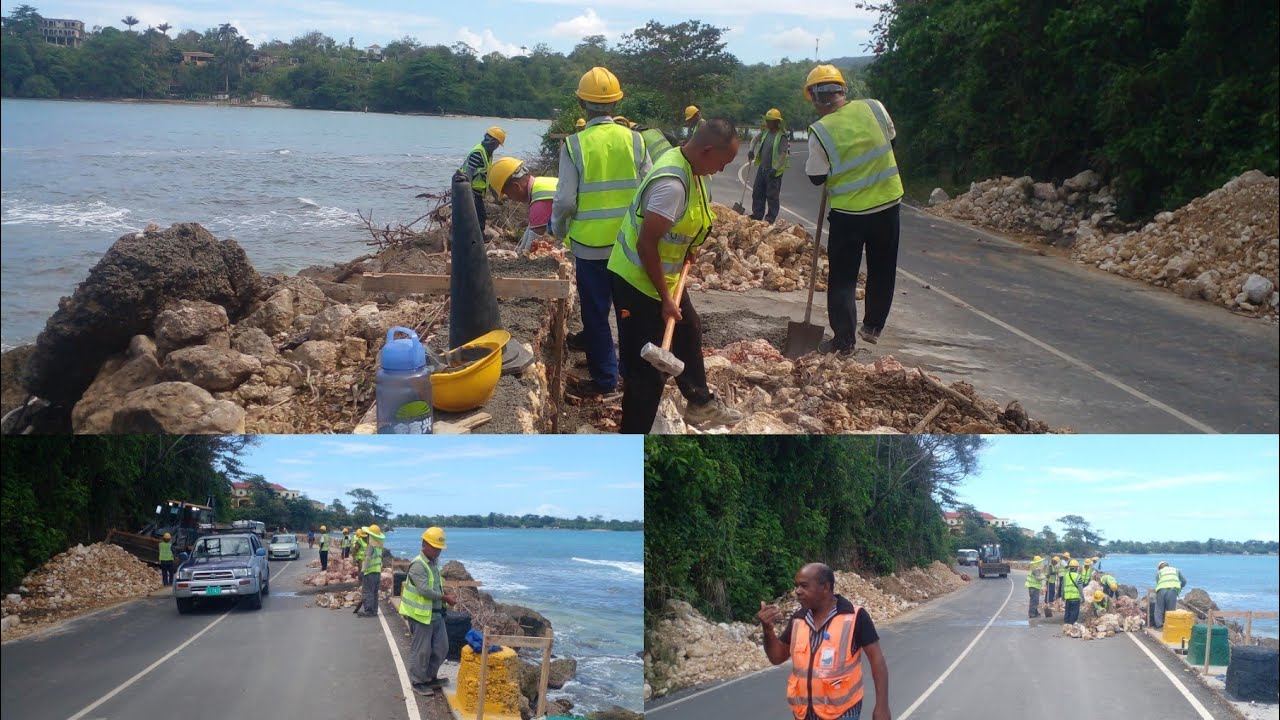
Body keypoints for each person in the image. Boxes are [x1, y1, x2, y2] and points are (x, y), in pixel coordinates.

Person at [607, 118, 746, 433]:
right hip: (637, 283)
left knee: (688, 327)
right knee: (646, 375)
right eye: (723, 162)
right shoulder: (670, 184)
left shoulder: (694, 169)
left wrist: (689, 248)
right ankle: (632, 436)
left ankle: (699, 401)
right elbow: (646, 245)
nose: (722, 170)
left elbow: (684, 223)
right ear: (707, 150)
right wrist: (667, 299)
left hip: (662, 279)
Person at [552, 67, 651, 395]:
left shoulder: (574, 145)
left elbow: (565, 200)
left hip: (589, 248)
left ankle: (606, 381)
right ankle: (634, 375)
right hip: (628, 247)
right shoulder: (635, 141)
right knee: (628, 313)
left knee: (596, 315)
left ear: (582, 105)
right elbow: (650, 190)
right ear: (616, 104)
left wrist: (557, 229)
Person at [803, 64, 903, 355]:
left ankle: (843, 341)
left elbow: (816, 177)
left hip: (850, 216)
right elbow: (891, 140)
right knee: (883, 268)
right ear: (842, 90)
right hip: (888, 205)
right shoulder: (874, 108)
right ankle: (873, 326)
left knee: (843, 279)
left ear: (816, 97)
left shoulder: (820, 130)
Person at [757, 563, 891, 720]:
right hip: (804, 713)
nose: (797, 591)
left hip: (842, 712)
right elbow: (776, 657)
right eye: (797, 586)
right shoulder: (798, 619)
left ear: (826, 587)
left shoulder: (854, 616)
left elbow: (877, 662)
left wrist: (882, 707)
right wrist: (767, 630)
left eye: (804, 586)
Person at [401, 527, 458, 696]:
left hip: (435, 614)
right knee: (421, 651)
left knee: (441, 648)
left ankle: (430, 677)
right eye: (434, 547)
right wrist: (445, 598)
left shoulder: (433, 563)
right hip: (420, 615)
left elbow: (436, 584)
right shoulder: (418, 565)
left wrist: (445, 593)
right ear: (424, 545)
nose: (438, 551)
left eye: (439, 548)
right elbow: (424, 590)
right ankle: (418, 681)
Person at [488, 157, 558, 252]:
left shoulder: (539, 201)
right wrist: (519, 251)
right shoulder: (540, 183)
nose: (510, 198)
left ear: (516, 187)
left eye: (508, 194)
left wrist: (520, 257)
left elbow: (533, 241)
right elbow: (531, 227)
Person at [457, 126, 506, 232]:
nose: (497, 147)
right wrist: (468, 194)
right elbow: (468, 174)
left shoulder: (487, 153)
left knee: (480, 217)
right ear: (492, 141)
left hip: (477, 192)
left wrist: (495, 195)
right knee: (478, 218)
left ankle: (476, 241)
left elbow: (485, 175)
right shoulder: (478, 152)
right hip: (471, 191)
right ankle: (477, 242)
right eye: (498, 144)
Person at [748, 108, 790, 224]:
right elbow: (754, 139)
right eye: (767, 120)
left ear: (777, 121)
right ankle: (757, 214)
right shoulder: (765, 132)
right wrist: (751, 150)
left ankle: (770, 218)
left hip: (774, 171)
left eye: (770, 120)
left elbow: (783, 154)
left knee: (772, 196)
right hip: (762, 169)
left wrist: (775, 168)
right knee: (757, 192)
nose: (767, 123)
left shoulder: (782, 136)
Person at [357, 524, 385, 617]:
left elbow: (367, 559)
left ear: (371, 536)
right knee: (374, 593)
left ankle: (368, 611)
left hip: (370, 573)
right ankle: (374, 610)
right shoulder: (379, 547)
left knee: (368, 592)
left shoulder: (370, 546)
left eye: (368, 535)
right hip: (377, 573)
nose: (367, 537)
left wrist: (362, 571)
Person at [1152, 561, 1187, 629]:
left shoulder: (1159, 572)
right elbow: (1184, 581)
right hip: (1173, 590)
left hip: (1161, 590)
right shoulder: (1176, 570)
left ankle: (1159, 626)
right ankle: (1170, 626)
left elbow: (1158, 582)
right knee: (1171, 610)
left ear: (1159, 567)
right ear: (1167, 565)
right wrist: (1180, 586)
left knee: (1159, 608)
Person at [1062, 559, 1085, 625]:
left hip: (1068, 597)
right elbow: (1080, 588)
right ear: (1076, 568)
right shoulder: (1078, 576)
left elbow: (1063, 587)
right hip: (1075, 597)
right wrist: (1083, 597)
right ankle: (1071, 623)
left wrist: (1063, 595)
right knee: (1074, 611)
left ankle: (1066, 622)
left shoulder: (1065, 576)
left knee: (1067, 610)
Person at [351, 527, 368, 615]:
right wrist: (354, 559)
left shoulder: (369, 541)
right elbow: (354, 551)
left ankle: (363, 584)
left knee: (365, 573)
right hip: (361, 560)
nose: (365, 537)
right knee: (361, 573)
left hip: (367, 560)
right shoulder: (359, 541)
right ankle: (361, 585)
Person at [1025, 555, 1045, 619]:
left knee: (1035, 601)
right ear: (1038, 562)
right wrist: (1045, 577)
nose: (1041, 563)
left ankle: (1035, 612)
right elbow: (1038, 578)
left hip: (1032, 587)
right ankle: (1032, 614)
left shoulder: (1033, 568)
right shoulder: (1036, 570)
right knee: (1034, 601)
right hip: (1034, 587)